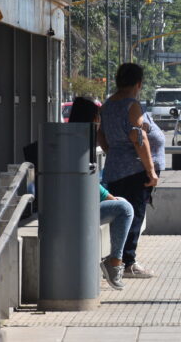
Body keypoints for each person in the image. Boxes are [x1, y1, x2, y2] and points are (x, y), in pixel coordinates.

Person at [98, 63, 165, 279]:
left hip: (116, 169)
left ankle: (121, 259)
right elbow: (139, 137)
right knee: (134, 215)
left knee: (123, 215)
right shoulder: (131, 105)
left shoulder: (107, 105)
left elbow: (101, 136)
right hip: (136, 171)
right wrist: (151, 171)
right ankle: (127, 262)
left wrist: (114, 154)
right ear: (138, 84)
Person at [68, 96, 135, 290]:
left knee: (121, 203)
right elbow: (87, 179)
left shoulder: (73, 138)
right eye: (97, 118)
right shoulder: (79, 142)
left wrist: (109, 196)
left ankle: (115, 262)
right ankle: (114, 263)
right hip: (76, 209)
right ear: (91, 118)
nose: (99, 123)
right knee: (125, 208)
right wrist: (109, 197)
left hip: (74, 204)